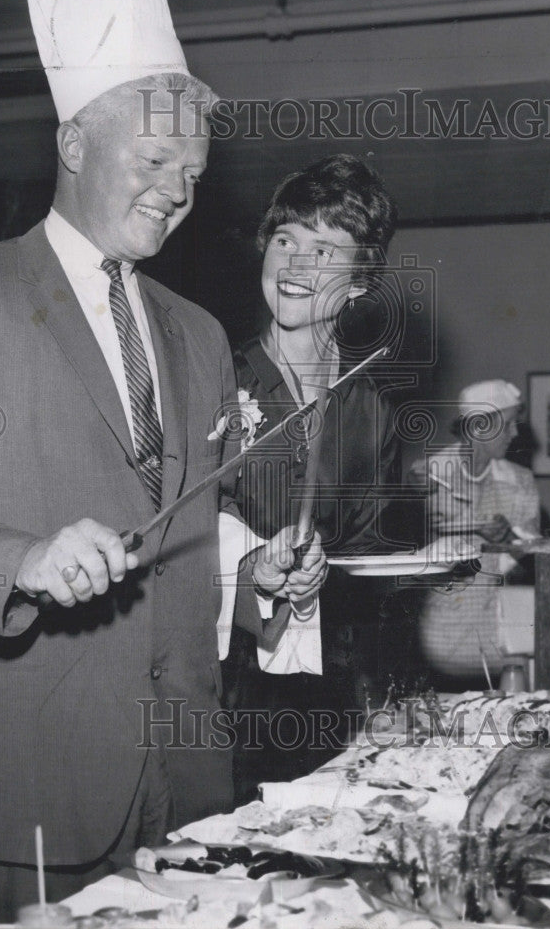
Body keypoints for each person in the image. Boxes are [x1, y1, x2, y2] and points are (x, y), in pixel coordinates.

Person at [0, 0, 325, 926]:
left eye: (191, 176)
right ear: (73, 139)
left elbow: (177, 536)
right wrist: (19, 559)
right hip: (17, 785)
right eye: (153, 162)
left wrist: (254, 584)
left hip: (188, 780)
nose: (175, 191)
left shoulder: (196, 332)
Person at [222, 155, 412, 795]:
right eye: (285, 240)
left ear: (359, 282)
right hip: (227, 686)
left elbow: (372, 552)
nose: (294, 266)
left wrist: (337, 562)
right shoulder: (216, 379)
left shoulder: (371, 403)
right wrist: (256, 566)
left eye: (325, 251)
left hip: (337, 683)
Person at [407, 379, 541, 683]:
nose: (515, 434)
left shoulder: (520, 481)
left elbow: (533, 557)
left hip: (500, 633)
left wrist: (508, 540)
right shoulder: (428, 474)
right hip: (439, 632)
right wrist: (408, 503)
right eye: (508, 425)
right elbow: (403, 553)